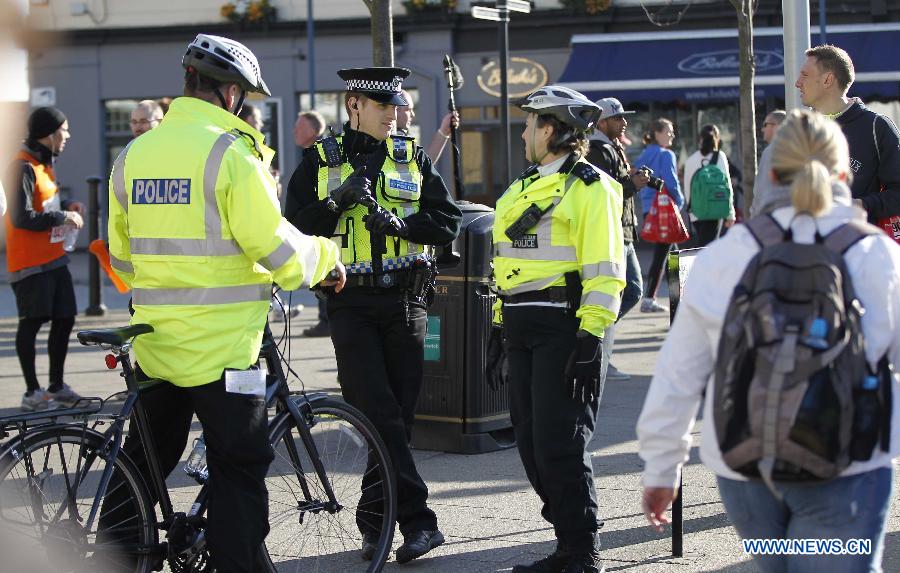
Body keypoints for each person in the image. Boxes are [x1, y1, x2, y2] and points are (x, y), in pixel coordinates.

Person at [104, 34, 344, 573]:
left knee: (144, 463)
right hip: (224, 350)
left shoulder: (134, 154)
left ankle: (113, 559)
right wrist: (326, 259)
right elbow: (276, 248)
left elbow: (120, 255)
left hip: (156, 342)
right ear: (231, 93)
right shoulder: (231, 154)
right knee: (239, 467)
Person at [637, 109, 900, 573]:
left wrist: (661, 470)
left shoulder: (725, 256)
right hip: (848, 465)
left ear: (770, 175)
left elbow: (678, 377)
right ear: (842, 174)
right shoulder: (878, 255)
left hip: (744, 466)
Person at [284, 66, 461, 564]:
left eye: (397, 105)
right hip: (350, 303)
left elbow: (447, 220)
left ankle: (375, 522)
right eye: (383, 106)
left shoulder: (411, 155)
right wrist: (335, 203)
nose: (394, 113)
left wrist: (403, 223)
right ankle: (421, 521)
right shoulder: (318, 161)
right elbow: (292, 227)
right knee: (377, 412)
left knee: (396, 421)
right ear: (353, 106)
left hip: (408, 301)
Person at [489, 85, 624, 573]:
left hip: (566, 326)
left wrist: (591, 339)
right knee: (528, 440)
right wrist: (498, 328)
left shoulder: (592, 187)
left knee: (560, 441)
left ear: (549, 129)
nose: (523, 132)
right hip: (522, 326)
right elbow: (506, 262)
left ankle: (581, 551)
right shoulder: (521, 186)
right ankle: (567, 538)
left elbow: (606, 270)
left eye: (529, 124)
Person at [4, 106, 85, 411]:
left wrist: (68, 205)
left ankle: (57, 386)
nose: (67, 136)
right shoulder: (21, 167)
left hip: (54, 257)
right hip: (29, 263)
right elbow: (22, 217)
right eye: (64, 130)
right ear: (49, 134)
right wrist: (61, 215)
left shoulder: (43, 164)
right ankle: (32, 393)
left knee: (65, 318)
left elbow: (44, 202)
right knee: (32, 322)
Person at [795, 44, 900, 225]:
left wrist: (860, 205)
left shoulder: (877, 127)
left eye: (804, 75)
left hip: (858, 245)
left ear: (828, 79)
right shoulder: (800, 128)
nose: (797, 82)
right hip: (807, 245)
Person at [586, 97, 648, 382]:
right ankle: (599, 352)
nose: (624, 122)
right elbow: (605, 193)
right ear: (602, 122)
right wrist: (632, 184)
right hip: (613, 232)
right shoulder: (598, 150)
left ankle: (600, 350)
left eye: (624, 117)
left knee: (632, 289)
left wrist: (631, 179)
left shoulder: (612, 147)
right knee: (624, 292)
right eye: (618, 118)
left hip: (623, 231)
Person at [289, 109, 333, 337]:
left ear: (314, 130)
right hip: (318, 224)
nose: (294, 130)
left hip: (324, 227)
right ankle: (324, 319)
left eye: (300, 126)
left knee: (325, 270)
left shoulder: (321, 155)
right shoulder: (311, 154)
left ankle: (326, 320)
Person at [634, 118, 683, 313]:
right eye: (668, 131)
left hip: (649, 209)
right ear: (657, 133)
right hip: (665, 210)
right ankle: (652, 299)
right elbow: (671, 182)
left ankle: (673, 297)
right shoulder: (666, 154)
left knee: (671, 253)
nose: (672, 135)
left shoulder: (645, 154)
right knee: (666, 255)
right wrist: (680, 202)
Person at [682, 124, 735, 247]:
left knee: (704, 246)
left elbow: (687, 188)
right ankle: (694, 266)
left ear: (700, 140)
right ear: (717, 139)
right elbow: (727, 185)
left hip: (696, 212)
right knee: (708, 249)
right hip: (714, 209)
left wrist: (691, 211)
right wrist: (730, 213)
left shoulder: (690, 160)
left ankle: (676, 265)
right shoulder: (720, 156)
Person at [395, 89, 460, 162]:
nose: (413, 114)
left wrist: (444, 132)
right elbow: (420, 169)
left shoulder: (398, 137)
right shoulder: (396, 139)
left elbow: (423, 165)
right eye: (408, 109)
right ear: (395, 110)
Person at [750, 109, 787, 217]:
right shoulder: (794, 149)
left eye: (765, 125)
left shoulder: (771, 151)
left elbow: (761, 188)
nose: (762, 129)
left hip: (772, 215)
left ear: (777, 126)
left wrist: (754, 215)